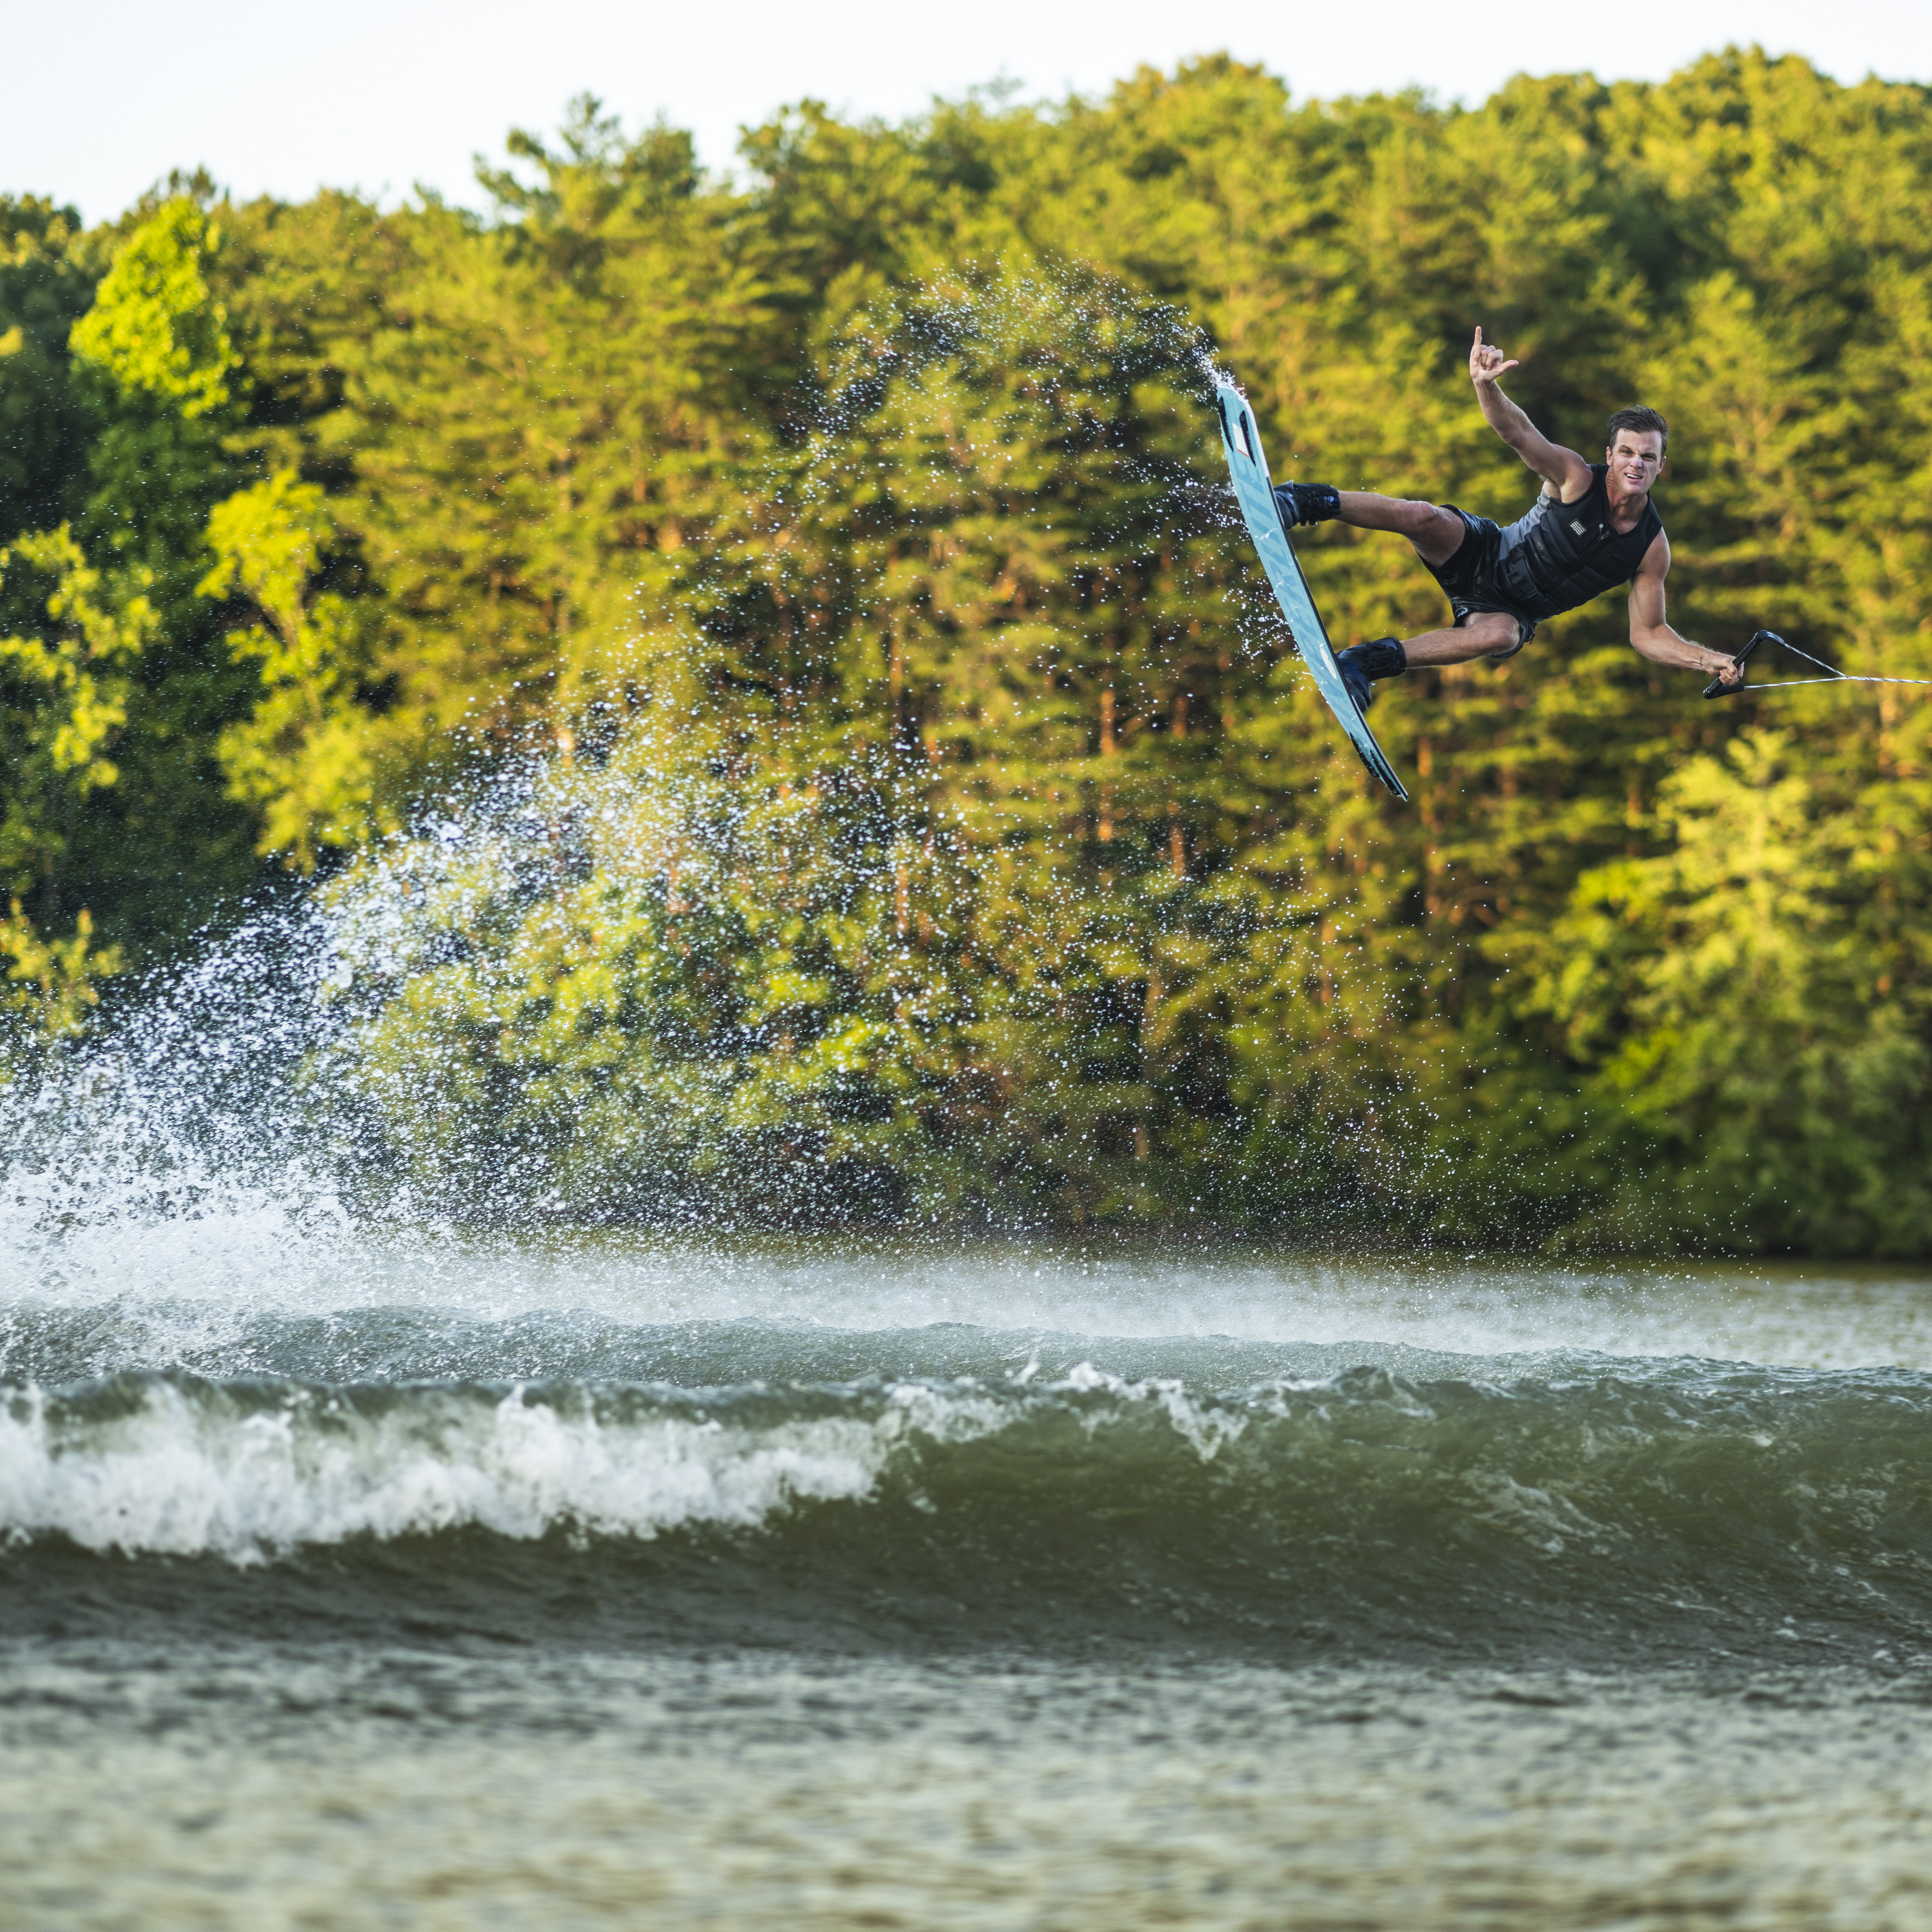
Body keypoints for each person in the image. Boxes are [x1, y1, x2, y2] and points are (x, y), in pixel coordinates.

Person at [1272, 329, 1744, 714]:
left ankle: (1362, 663)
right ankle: (1302, 502)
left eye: (1648, 457)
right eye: (1626, 453)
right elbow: (1516, 432)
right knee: (1420, 515)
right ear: (1611, 455)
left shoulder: (1650, 548)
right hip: (1483, 553)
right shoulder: (1575, 478)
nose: (1635, 464)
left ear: (1662, 466)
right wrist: (1486, 385)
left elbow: (1648, 634)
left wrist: (1708, 660)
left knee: (1499, 637)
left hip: (1508, 612)